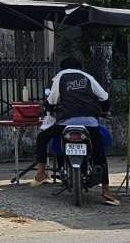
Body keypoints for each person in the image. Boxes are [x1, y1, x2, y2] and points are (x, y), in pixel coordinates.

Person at [32, 56, 118, 205]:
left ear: (62, 68)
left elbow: (51, 101)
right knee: (99, 154)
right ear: (79, 67)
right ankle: (106, 191)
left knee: (42, 138)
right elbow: (104, 97)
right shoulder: (88, 77)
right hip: (90, 123)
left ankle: (41, 173)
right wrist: (105, 110)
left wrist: (48, 108)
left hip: (66, 122)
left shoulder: (59, 79)